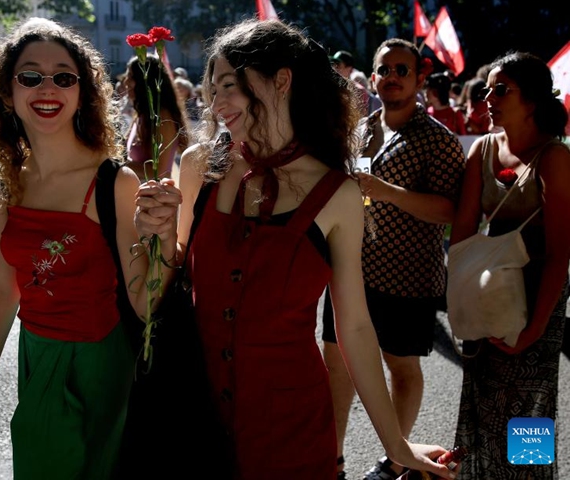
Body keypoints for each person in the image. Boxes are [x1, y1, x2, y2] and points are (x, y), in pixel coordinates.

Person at [135, 19, 456, 480]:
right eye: (211, 88)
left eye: (229, 85)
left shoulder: (338, 192)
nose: (215, 103)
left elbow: (356, 327)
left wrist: (395, 442)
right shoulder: (198, 164)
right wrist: (160, 236)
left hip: (291, 425)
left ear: (281, 80)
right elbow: (174, 277)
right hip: (192, 413)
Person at [0, 17, 163, 479]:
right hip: (36, 356)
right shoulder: (3, 184)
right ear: (7, 94)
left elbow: (143, 299)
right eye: (30, 76)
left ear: (82, 93)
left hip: (99, 362)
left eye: (63, 77)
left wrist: (164, 236)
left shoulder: (115, 181)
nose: (46, 88)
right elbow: (5, 289)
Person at [321, 38, 466, 480]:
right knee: (337, 365)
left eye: (402, 70)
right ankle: (334, 459)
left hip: (406, 275)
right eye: (384, 70)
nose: (391, 78)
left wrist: (388, 193)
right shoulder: (361, 128)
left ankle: (396, 460)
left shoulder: (437, 140)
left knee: (400, 367)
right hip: (350, 268)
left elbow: (450, 210)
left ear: (420, 77)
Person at [450, 51, 570, 479]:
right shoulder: (481, 149)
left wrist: (535, 328)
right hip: (487, 294)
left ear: (532, 101)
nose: (488, 97)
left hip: (537, 299)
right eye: (487, 89)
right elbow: (462, 235)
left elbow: (559, 253)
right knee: (483, 403)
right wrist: (465, 299)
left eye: (502, 90)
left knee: (529, 412)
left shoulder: (554, 157)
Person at [123, 54, 189, 181]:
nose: (125, 82)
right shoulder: (140, 114)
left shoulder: (163, 118)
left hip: (155, 197)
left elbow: (160, 172)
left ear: (146, 80)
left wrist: (116, 165)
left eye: (131, 76)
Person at [332, 49, 382, 116]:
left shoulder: (358, 90)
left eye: (338, 65)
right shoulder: (333, 88)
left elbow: (361, 119)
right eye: (333, 64)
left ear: (349, 68)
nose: (334, 68)